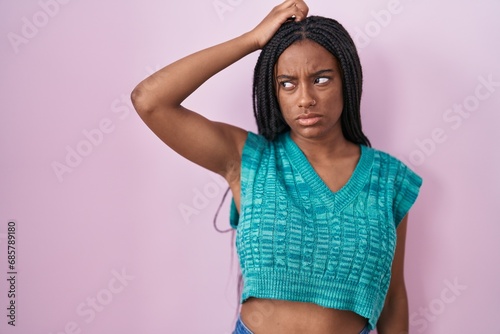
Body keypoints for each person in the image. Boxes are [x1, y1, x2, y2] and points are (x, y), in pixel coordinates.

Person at [131, 1, 422, 333]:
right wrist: (253, 39)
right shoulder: (248, 160)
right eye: (287, 83)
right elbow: (149, 100)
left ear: (347, 80)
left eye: (321, 79)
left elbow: (394, 296)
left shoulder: (389, 179)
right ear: (273, 91)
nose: (304, 98)